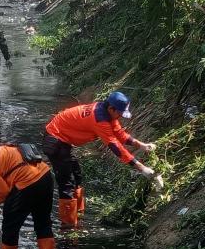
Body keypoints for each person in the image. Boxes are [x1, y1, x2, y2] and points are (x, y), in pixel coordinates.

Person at [42, 91, 157, 228]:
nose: (120, 116)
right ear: (111, 108)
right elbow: (115, 146)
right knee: (67, 183)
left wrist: (142, 145)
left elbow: (119, 134)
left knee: (77, 176)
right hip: (55, 140)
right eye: (120, 113)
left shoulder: (108, 113)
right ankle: (68, 226)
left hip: (64, 141)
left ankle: (78, 216)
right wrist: (141, 168)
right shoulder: (99, 119)